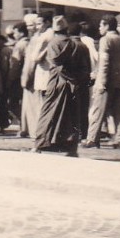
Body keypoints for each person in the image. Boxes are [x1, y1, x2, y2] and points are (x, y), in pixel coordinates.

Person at [32, 16, 85, 156]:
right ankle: (71, 147)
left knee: (48, 113)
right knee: (71, 116)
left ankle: (39, 144)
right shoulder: (74, 44)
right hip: (71, 84)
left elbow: (56, 64)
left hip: (56, 83)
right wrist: (74, 80)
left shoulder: (53, 43)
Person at [84, 14, 120, 148]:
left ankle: (92, 138)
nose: (99, 28)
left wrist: (101, 82)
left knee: (98, 110)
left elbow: (104, 62)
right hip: (119, 80)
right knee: (118, 112)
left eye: (101, 25)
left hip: (107, 81)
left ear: (107, 25)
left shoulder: (105, 40)